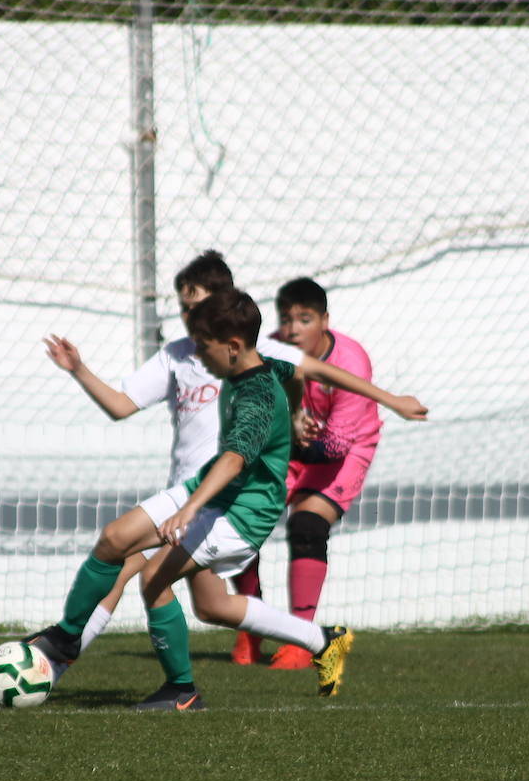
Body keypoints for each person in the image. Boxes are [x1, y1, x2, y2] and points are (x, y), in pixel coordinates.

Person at [41, 251, 426, 669]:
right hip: (188, 494)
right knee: (211, 606)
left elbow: (315, 372)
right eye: (184, 308)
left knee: (127, 563)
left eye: (197, 306)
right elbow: (120, 405)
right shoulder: (178, 355)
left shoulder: (250, 356)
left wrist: (387, 400)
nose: (188, 316)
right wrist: (78, 369)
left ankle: (56, 663)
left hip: (220, 501)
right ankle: (320, 640)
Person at [29, 287, 360, 709]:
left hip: (242, 512)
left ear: (235, 347)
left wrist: (188, 509)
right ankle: (66, 638)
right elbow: (296, 375)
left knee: (154, 578)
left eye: (206, 348)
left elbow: (235, 460)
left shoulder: (257, 396)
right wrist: (296, 418)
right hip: (208, 493)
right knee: (128, 547)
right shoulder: (264, 367)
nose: (200, 358)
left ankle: (182, 690)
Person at [231, 277, 383, 670]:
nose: (294, 328)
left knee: (307, 525)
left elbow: (334, 446)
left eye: (305, 318)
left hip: (342, 453)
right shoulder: (268, 351)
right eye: (287, 319)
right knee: (242, 524)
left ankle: (302, 640)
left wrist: (296, 438)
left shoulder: (351, 362)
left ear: (325, 321)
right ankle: (251, 626)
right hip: (293, 449)